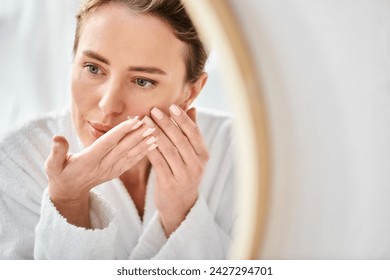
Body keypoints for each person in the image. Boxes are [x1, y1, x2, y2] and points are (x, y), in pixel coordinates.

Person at [0, 0, 236, 259]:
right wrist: (68, 202)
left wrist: (182, 210)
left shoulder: (240, 155)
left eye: (142, 81)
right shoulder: (17, 160)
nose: (108, 104)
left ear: (190, 92)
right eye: (93, 68)